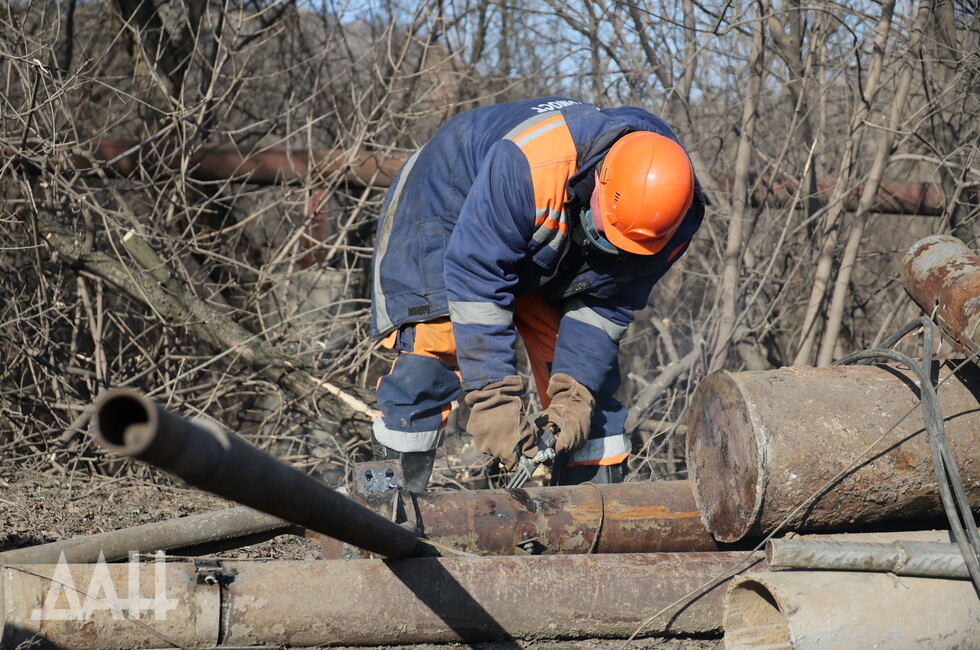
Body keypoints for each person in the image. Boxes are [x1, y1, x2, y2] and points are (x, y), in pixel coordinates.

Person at [369, 96, 704, 492]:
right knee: (433, 352)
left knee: (590, 399)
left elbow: (605, 304)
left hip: (543, 233)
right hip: (446, 196)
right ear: (600, 179)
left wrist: (573, 395)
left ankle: (593, 534)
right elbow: (477, 275)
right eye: (606, 236)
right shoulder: (529, 165)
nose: (613, 252)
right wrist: (493, 398)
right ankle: (390, 514)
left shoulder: (670, 220)